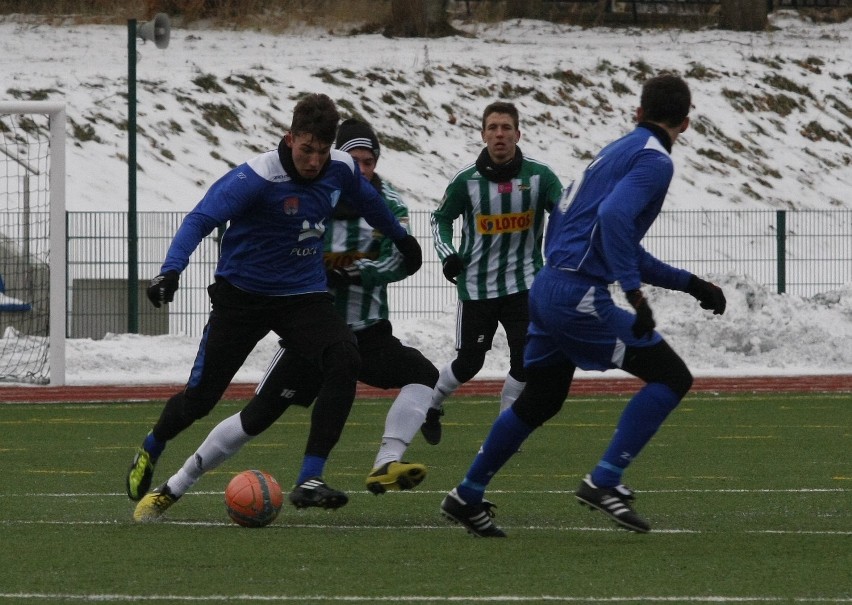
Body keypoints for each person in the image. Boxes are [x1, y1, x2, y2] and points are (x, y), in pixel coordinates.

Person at [439, 74, 727, 537]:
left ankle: (467, 493)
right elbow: (614, 222)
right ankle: (605, 479)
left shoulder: (616, 152)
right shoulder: (655, 162)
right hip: (577, 296)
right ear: (686, 124)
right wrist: (633, 292)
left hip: (549, 286)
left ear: (637, 113)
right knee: (673, 377)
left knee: (541, 399)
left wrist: (690, 284)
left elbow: (608, 238)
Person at [125, 95, 422, 509]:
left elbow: (372, 204)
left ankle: (310, 478)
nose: (314, 161)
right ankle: (153, 445)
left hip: (302, 295)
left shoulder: (341, 167)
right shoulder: (256, 177)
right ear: (289, 137)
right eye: (306, 150)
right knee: (201, 400)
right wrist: (170, 270)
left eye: (321, 151)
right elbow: (199, 219)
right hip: (242, 297)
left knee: (344, 357)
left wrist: (403, 240)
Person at [422, 101, 563, 445]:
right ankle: (432, 406)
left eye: (506, 128)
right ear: (483, 134)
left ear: (518, 133)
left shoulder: (540, 177)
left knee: (526, 360)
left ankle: (505, 430)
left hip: (524, 285)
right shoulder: (466, 180)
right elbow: (439, 218)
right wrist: (448, 255)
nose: (500, 134)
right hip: (477, 288)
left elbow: (566, 214)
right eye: (493, 128)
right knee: (469, 363)